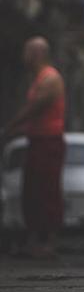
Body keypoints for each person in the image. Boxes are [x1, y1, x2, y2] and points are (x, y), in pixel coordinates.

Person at [0, 37, 65, 258]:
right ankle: (34, 240)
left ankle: (47, 241)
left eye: (27, 52)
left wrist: (10, 127)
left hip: (49, 141)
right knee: (32, 192)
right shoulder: (38, 78)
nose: (23, 57)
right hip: (37, 139)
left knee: (46, 191)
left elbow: (34, 109)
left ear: (37, 54)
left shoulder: (50, 79)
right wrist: (16, 131)